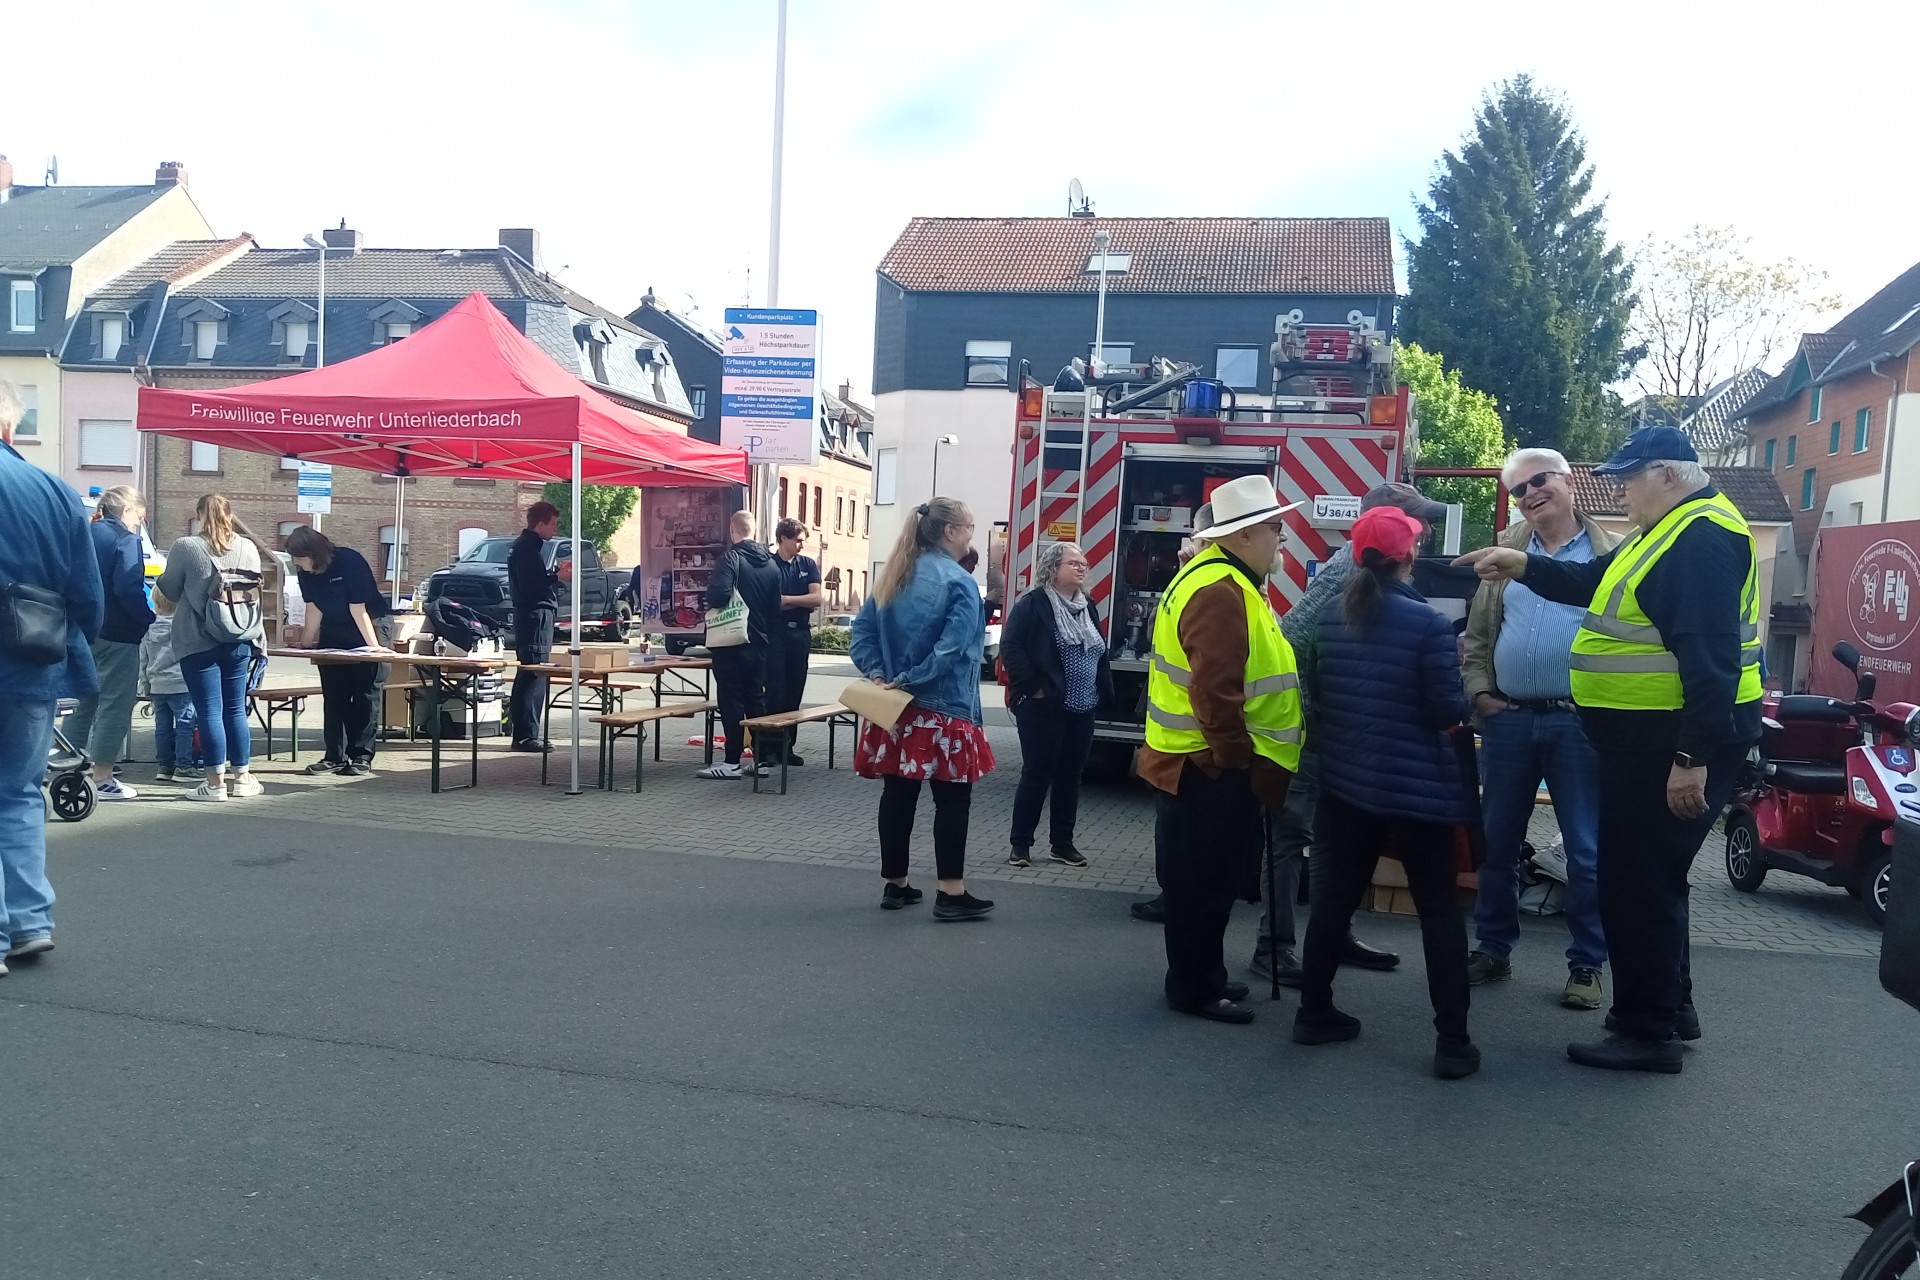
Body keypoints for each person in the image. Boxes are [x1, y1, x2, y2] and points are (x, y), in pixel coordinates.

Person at [1456, 426, 1763, 1074]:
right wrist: (1523, 565)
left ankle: (1644, 1032)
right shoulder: (1667, 531)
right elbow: (1594, 581)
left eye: (1628, 480)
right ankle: (1670, 1009)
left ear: (1667, 474)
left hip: (1665, 743)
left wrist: (1691, 760)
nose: (1620, 493)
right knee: (1654, 879)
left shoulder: (1700, 538)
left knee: (1637, 882)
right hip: (1646, 739)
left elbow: (1709, 662)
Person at [1296, 506, 1478, 1077]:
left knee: (1331, 903)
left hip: (1345, 786)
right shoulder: (1426, 624)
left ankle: (1313, 1012)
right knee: (1440, 914)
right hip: (1417, 792)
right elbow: (1448, 709)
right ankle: (1452, 1043)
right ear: (1408, 558)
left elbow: (1324, 696)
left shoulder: (1329, 615)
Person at [1249, 483, 1438, 981]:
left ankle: (1336, 934)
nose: (1427, 532)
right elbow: (1294, 637)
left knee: (1343, 837)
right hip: (1314, 727)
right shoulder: (1351, 568)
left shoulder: (1364, 569)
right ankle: (1273, 947)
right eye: (1417, 522)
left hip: (1342, 730)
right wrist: (1320, 705)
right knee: (1291, 835)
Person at [1138, 475, 1304, 1023]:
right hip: (1207, 769)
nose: (1283, 538)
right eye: (1276, 528)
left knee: (1199, 886)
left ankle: (1201, 976)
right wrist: (1235, 761)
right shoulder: (1220, 590)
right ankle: (1195, 990)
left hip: (1193, 764)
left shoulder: (1216, 580)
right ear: (1248, 533)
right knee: (1202, 890)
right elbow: (1217, 693)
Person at [1460, 448, 1620, 1011]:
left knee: (1586, 851)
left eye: (1540, 480)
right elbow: (1477, 637)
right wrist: (1480, 692)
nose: (1531, 493)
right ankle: (1493, 949)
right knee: (1496, 845)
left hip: (1580, 723)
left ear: (1567, 480)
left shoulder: (1610, 556)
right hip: (1509, 721)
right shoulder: (1505, 556)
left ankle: (1586, 966)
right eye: (1520, 488)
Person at [850, 498, 996, 921]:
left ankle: (895, 885)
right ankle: (951, 891)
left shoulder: (894, 573)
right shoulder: (960, 581)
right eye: (969, 526)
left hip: (894, 710)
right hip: (944, 707)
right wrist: (911, 678)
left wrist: (882, 676)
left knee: (897, 795)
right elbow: (951, 650)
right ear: (950, 532)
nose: (972, 534)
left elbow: (861, 636)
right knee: (952, 799)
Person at [0, 378, 102, 975]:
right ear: (11, 427)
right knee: (16, 794)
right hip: (33, 662)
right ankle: (29, 922)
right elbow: (86, 597)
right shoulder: (55, 492)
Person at [1001, 541, 1110, 869]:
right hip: (1043, 706)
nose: (1081, 568)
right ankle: (1020, 845)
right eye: (1073, 563)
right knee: (1037, 773)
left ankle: (1062, 844)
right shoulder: (1033, 604)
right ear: (1052, 569)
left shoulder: (1087, 606)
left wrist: (1104, 689)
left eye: (1084, 563)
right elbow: (1011, 645)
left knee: (1071, 776)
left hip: (1082, 707)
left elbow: (1099, 649)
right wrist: (1033, 687)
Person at [156, 493, 267, 803]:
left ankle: (215, 784)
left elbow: (170, 590)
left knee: (209, 712)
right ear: (230, 515)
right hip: (239, 636)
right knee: (235, 710)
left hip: (197, 639)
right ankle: (242, 778)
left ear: (200, 515)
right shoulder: (247, 547)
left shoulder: (187, 546)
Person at [62, 486, 153, 800]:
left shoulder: (84, 534)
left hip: (81, 630)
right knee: (115, 704)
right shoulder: (126, 541)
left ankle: (66, 769)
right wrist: (146, 617)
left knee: (83, 702)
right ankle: (102, 776)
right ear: (127, 511)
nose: (139, 523)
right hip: (119, 632)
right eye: (139, 517)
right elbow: (128, 587)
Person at [286, 526, 392, 776]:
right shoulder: (306, 572)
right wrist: (305, 643)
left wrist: (374, 648)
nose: (297, 565)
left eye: (300, 559)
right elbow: (313, 608)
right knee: (334, 694)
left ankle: (362, 756)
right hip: (335, 628)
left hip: (370, 625)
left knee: (365, 694)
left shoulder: (349, 562)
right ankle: (334, 756)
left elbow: (359, 610)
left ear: (315, 553)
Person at [699, 510, 781, 780]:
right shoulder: (771, 564)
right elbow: (774, 606)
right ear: (753, 531)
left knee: (731, 699)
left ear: (732, 531)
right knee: (756, 697)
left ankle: (732, 760)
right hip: (759, 642)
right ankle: (761, 759)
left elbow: (719, 594)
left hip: (731, 642)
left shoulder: (730, 558)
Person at [506, 501, 570, 752]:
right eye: (553, 524)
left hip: (534, 614)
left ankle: (526, 732)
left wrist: (552, 574)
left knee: (533, 673)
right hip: (534, 616)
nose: (554, 529)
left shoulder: (527, 548)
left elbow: (531, 579)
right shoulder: (526, 549)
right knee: (533, 673)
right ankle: (525, 735)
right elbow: (531, 585)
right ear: (541, 523)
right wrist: (557, 576)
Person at [765, 518, 822, 766]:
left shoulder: (808, 564)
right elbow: (769, 602)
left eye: (803, 541)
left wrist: (787, 599)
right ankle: (768, 749)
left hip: (799, 633)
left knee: (794, 691)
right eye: (798, 540)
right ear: (783, 539)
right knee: (775, 692)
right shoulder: (769, 565)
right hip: (775, 633)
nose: (802, 545)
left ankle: (788, 748)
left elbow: (817, 598)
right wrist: (800, 599)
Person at [139, 589, 199, 784]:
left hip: (157, 684)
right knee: (185, 724)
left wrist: (145, 684)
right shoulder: (182, 626)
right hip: (181, 683)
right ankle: (184, 766)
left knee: (162, 726)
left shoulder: (148, 628)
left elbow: (143, 659)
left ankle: (165, 765)